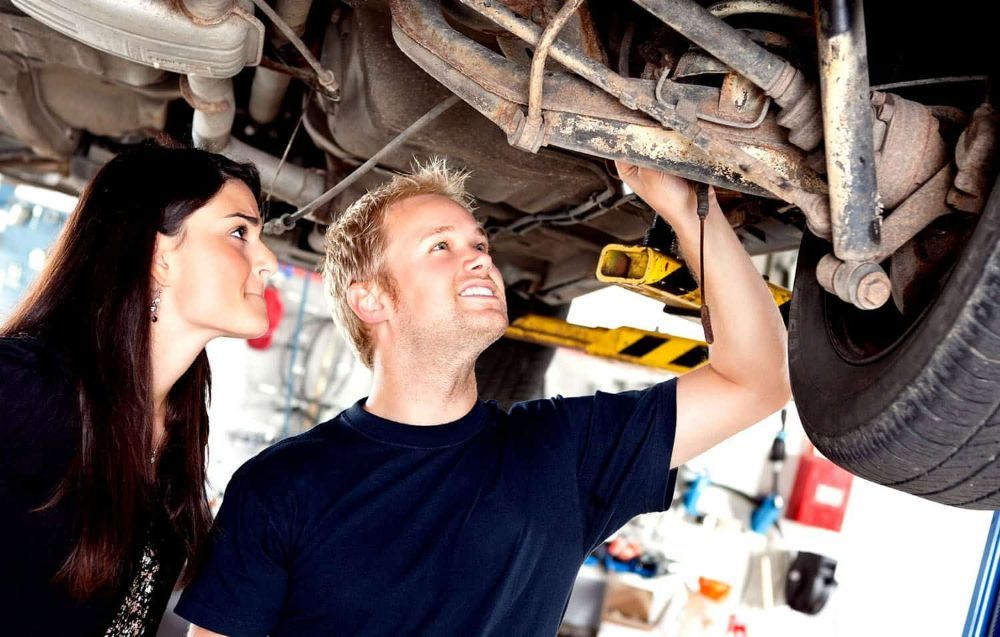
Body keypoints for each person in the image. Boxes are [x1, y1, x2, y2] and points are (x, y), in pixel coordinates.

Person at [178, 158, 791, 637]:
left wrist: (690, 211)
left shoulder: (563, 450)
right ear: (372, 299)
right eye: (440, 247)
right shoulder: (281, 485)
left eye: (479, 246)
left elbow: (758, 376)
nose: (477, 260)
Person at [0, 142, 278, 636]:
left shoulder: (177, 433)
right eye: (239, 233)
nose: (268, 261)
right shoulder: (26, 383)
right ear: (159, 257)